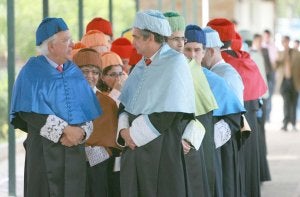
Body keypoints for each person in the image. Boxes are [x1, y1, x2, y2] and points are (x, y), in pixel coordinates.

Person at [9, 17, 102, 197]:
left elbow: (88, 111)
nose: (72, 44)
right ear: (51, 46)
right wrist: (65, 130)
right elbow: (28, 112)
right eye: (66, 40)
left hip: (74, 152)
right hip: (44, 153)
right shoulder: (31, 71)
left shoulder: (74, 71)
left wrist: (81, 133)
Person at [116, 10, 196, 197]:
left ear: (150, 37)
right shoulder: (142, 64)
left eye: (136, 37)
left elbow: (170, 112)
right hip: (135, 147)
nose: (132, 41)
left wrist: (133, 135)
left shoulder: (175, 62)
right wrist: (123, 131)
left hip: (161, 148)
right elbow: (126, 104)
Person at [207, 18, 268, 197]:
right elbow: (260, 97)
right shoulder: (247, 60)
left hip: (230, 128)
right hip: (250, 125)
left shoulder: (219, 66)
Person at [202, 26, 246, 197]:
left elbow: (233, 116)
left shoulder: (226, 74)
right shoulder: (216, 72)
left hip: (224, 144)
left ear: (211, 51)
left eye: (200, 50)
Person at [72, 48, 120, 197]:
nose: (90, 76)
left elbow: (113, 143)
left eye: (95, 72)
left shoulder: (108, 103)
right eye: (84, 71)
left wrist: (93, 154)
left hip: (98, 170)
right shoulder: (64, 99)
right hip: (71, 167)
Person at [276, 35, 299, 131]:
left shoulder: (297, 53)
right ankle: (285, 124)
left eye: (286, 41)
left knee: (294, 103)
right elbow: (275, 65)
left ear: (289, 41)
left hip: (295, 82)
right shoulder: (280, 53)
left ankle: (293, 123)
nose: (284, 43)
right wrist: (284, 53)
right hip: (284, 82)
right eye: (283, 41)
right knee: (286, 103)